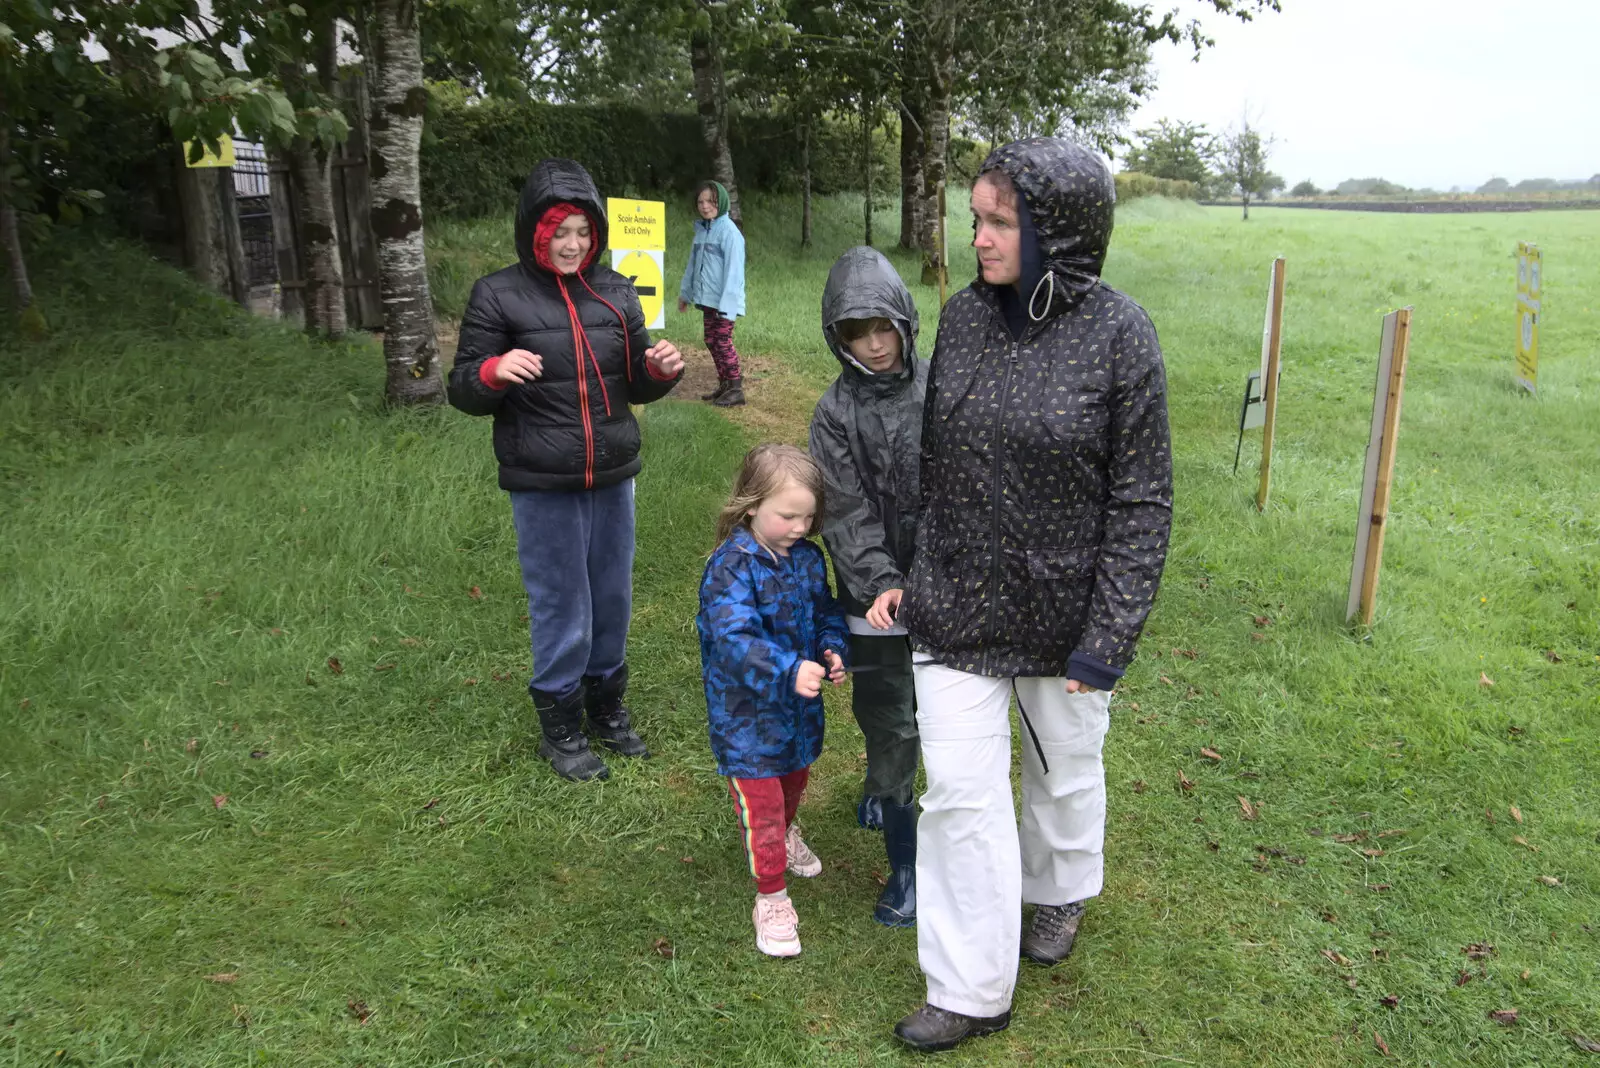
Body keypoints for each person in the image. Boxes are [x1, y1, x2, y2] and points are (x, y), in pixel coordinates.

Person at [892, 137, 1173, 1052]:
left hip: (1065, 615)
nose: (979, 238)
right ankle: (971, 989)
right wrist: (914, 567)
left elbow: (1142, 500)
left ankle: (1055, 892)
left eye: (1001, 221)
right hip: (958, 602)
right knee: (960, 797)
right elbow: (934, 458)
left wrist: (1110, 633)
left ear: (1062, 230)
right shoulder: (963, 320)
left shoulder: (1122, 336)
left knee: (1063, 773)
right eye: (976, 219)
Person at [446, 158, 685, 784]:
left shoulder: (617, 290)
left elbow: (633, 380)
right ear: (535, 230)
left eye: (582, 231)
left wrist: (660, 372)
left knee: (612, 595)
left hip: (613, 472)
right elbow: (464, 386)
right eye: (560, 231)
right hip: (541, 477)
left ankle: (606, 709)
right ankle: (561, 723)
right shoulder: (497, 294)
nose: (572, 244)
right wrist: (492, 374)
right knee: (562, 601)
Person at [807, 246, 924, 928]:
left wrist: (932, 578)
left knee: (939, 714)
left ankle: (914, 814)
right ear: (839, 337)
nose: (875, 345)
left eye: (884, 328)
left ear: (904, 323)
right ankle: (901, 861)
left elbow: (958, 492)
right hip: (867, 595)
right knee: (886, 711)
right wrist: (881, 581)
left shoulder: (940, 389)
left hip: (941, 586)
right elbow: (844, 510)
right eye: (858, 333)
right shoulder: (832, 414)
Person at [696, 444, 851, 957]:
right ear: (750, 506)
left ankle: (785, 832)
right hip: (746, 717)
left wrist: (832, 647)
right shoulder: (730, 567)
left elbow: (825, 610)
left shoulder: (807, 559)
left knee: (793, 781)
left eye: (809, 517)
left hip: (798, 713)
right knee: (761, 803)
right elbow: (733, 638)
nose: (800, 527)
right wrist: (787, 669)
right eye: (788, 516)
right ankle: (772, 898)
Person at [677, 181, 748, 407]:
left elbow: (734, 273)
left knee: (722, 341)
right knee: (710, 340)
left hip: (724, 303)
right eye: (701, 201)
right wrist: (685, 294)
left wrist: (727, 307)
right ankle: (725, 383)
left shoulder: (729, 233)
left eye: (711, 201)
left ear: (722, 203)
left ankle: (736, 388)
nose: (705, 206)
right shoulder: (702, 232)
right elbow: (692, 266)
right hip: (707, 300)